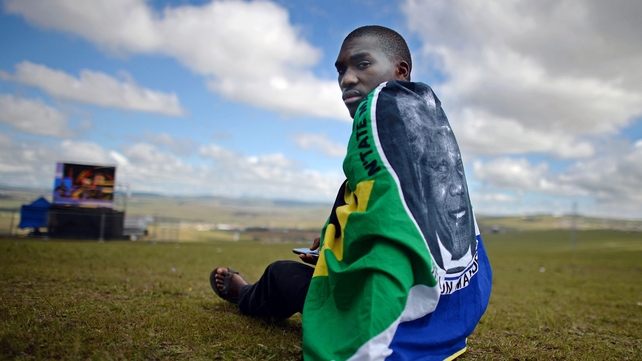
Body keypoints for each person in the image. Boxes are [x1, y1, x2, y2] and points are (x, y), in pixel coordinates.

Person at [211, 25, 492, 361]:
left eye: (362, 64)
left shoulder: (380, 114)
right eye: (341, 70)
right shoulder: (432, 135)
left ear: (400, 71)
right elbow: (395, 221)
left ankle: (244, 294)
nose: (346, 79)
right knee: (311, 272)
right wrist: (329, 251)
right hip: (449, 321)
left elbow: (387, 230)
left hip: (396, 326)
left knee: (280, 273)